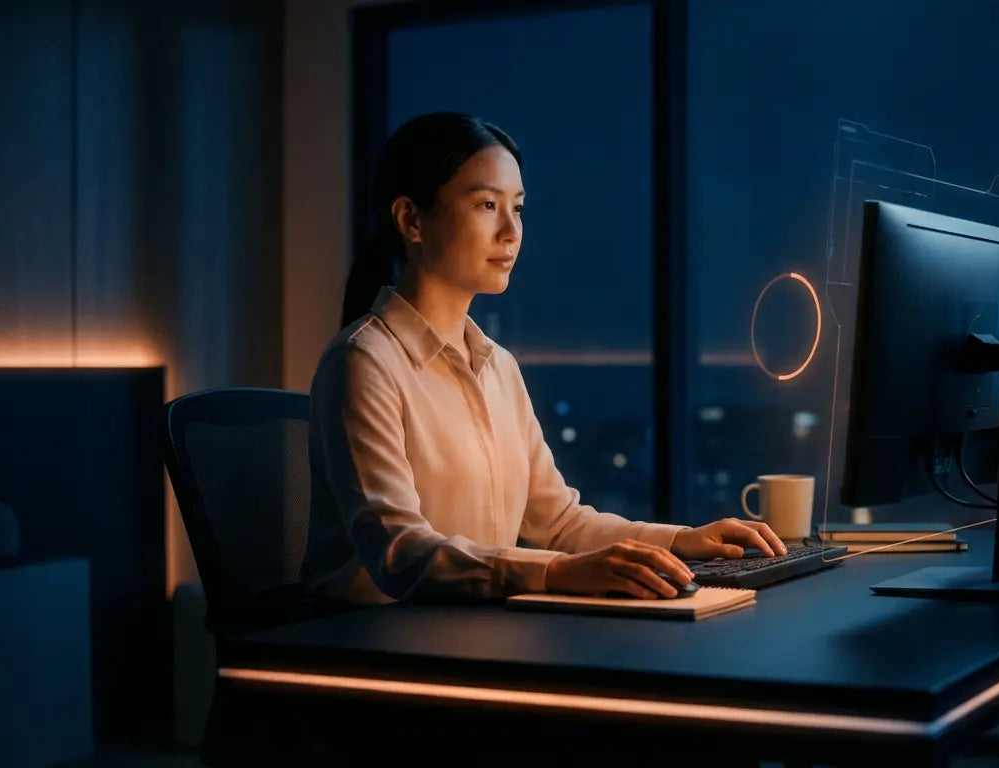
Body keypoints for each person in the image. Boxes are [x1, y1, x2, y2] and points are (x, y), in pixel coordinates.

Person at [302, 112, 786, 605]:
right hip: (368, 642)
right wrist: (558, 572)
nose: (511, 230)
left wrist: (683, 541)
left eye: (518, 207)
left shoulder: (498, 367)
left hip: (469, 630)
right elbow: (400, 551)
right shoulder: (364, 362)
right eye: (487, 204)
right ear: (411, 219)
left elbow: (557, 522)